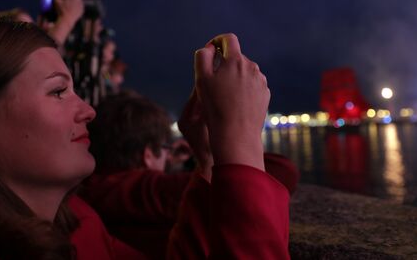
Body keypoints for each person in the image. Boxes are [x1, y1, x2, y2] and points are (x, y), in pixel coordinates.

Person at [0, 16, 290, 259]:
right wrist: (241, 141)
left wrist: (209, 157)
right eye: (58, 91)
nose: (88, 111)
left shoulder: (78, 224)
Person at [81, 91, 299, 258]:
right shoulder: (145, 191)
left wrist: (199, 157)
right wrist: (217, 147)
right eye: (165, 149)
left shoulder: (92, 189)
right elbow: (280, 170)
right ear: (148, 155)